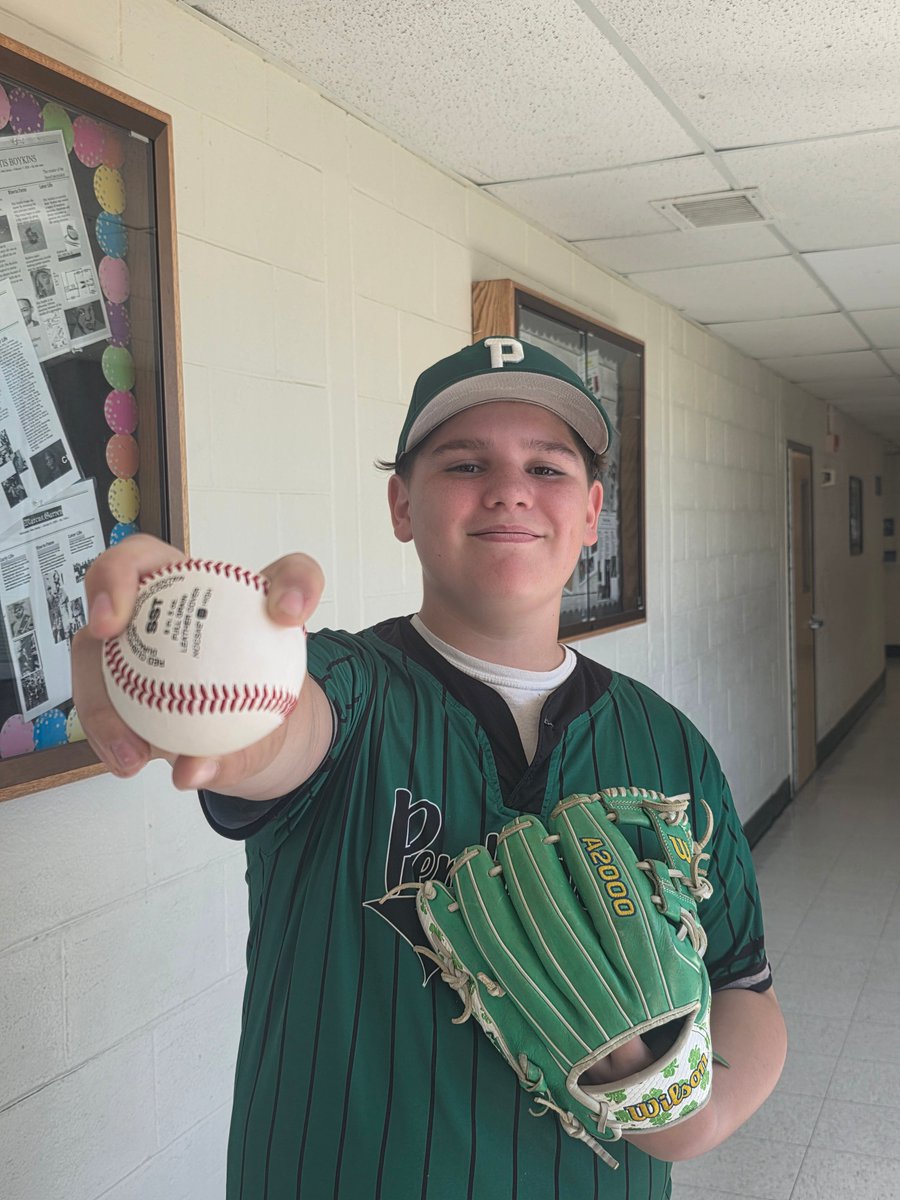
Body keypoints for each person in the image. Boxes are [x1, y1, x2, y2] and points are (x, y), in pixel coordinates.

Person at [73, 337, 786, 1200]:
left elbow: (745, 985)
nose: (511, 488)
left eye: (548, 468)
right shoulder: (341, 683)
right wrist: (204, 684)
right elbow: (279, 734)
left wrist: (696, 1116)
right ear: (402, 504)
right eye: (466, 463)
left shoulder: (668, 742)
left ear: (592, 512)